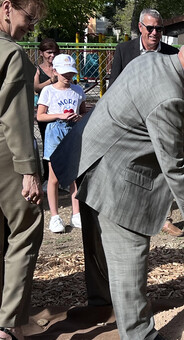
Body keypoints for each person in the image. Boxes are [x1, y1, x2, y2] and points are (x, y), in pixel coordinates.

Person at [51, 35, 184, 340]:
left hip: (90, 160)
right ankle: (139, 335)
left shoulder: (150, 60)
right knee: (129, 259)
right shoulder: (170, 98)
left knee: (100, 252)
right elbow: (174, 165)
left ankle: (101, 307)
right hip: (116, 179)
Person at [109, 8, 184, 237]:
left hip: (164, 122)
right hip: (132, 122)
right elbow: (114, 87)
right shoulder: (124, 51)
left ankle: (165, 218)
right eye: (150, 28)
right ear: (140, 27)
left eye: (159, 29)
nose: (154, 33)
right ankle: (132, 215)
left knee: (166, 167)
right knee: (132, 168)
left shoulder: (172, 54)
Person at [0, 0, 46, 339]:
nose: (31, 27)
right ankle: (9, 325)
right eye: (28, 18)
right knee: (25, 226)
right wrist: (29, 170)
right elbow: (15, 119)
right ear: (6, 8)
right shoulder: (11, 53)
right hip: (6, 152)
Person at [36, 54, 87, 233]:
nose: (68, 77)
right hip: (54, 133)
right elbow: (40, 115)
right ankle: (55, 216)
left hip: (72, 132)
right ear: (55, 71)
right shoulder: (48, 91)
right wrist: (59, 115)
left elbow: (84, 113)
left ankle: (76, 213)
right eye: (64, 73)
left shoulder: (78, 90)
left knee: (73, 175)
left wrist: (79, 117)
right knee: (54, 177)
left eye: (71, 73)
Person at [33, 37, 59, 188]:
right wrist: (52, 80)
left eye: (54, 52)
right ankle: (47, 178)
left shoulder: (60, 67)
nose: (52, 56)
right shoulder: (38, 69)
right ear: (42, 53)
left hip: (61, 111)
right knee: (47, 146)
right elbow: (36, 87)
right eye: (49, 52)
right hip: (45, 113)